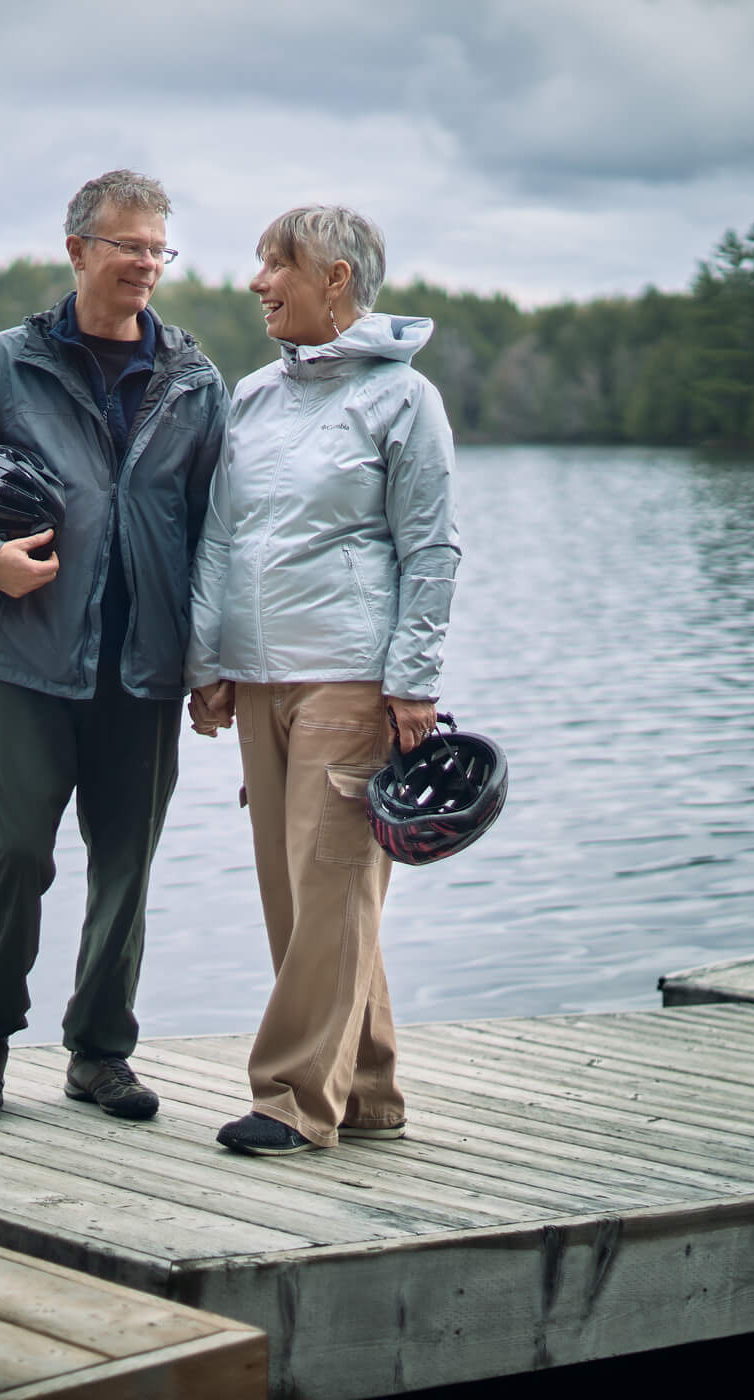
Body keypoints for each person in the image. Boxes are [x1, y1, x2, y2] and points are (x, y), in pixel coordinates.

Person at [0, 170, 226, 1122]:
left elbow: (219, 535)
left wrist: (214, 665)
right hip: (31, 661)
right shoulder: (4, 364)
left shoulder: (196, 382)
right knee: (18, 851)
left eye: (159, 248)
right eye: (128, 245)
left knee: (127, 862)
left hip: (148, 666)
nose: (146, 265)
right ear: (77, 250)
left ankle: (99, 1053)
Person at [186, 205, 459, 1156]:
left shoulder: (403, 400)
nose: (259, 281)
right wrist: (206, 659)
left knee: (334, 885)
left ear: (333, 278)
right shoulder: (252, 397)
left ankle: (293, 1100)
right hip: (257, 677)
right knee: (300, 895)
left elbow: (430, 548)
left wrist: (413, 681)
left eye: (276, 263)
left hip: (350, 678)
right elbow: (219, 535)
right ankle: (370, 1089)